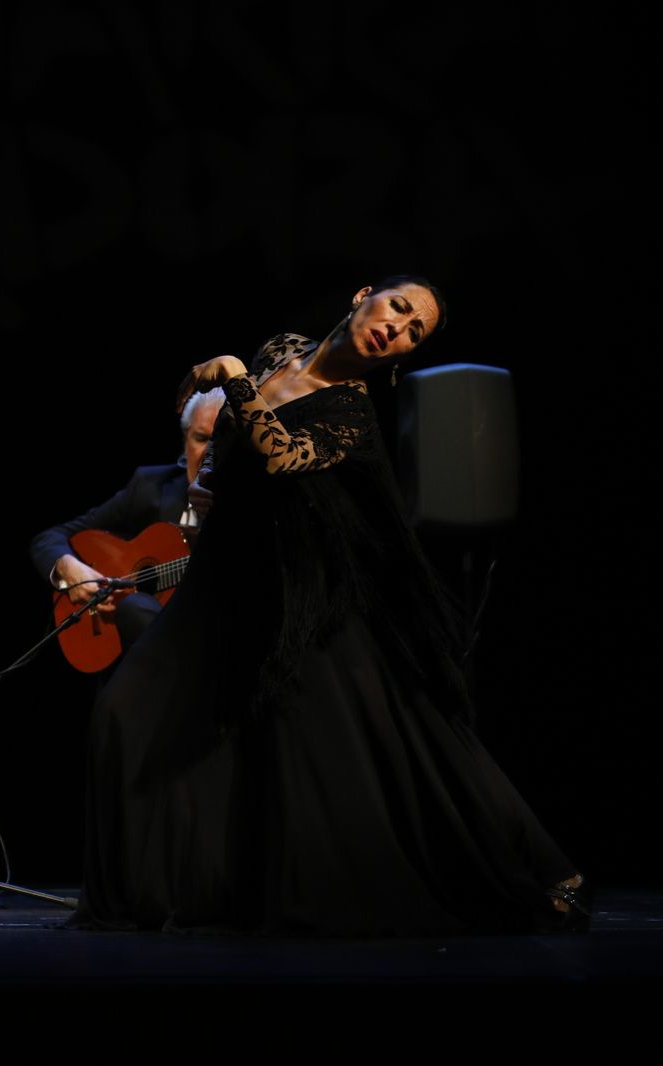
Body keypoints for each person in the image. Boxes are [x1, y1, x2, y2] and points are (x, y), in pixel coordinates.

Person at [74, 277, 587, 935]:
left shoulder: (351, 412)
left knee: (399, 731)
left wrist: (233, 375)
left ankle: (534, 867)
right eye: (398, 308)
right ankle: (154, 892)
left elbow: (283, 456)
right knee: (126, 710)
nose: (396, 329)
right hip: (224, 575)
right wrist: (208, 490)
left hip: (304, 589)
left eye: (413, 334)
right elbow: (232, 440)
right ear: (363, 296)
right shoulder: (280, 350)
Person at [30, 388, 225, 650]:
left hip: (211, 643)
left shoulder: (257, 504)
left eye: (221, 441)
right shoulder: (151, 486)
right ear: (185, 439)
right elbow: (49, 538)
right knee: (135, 607)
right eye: (201, 438)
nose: (209, 454)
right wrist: (68, 568)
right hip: (136, 649)